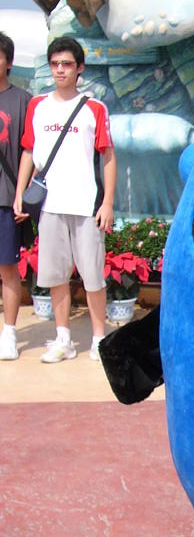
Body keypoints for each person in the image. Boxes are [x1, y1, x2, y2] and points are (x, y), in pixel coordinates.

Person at [13, 36, 115, 363]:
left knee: (93, 277)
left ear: (79, 68)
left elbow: (108, 156)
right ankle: (63, 339)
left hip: (86, 205)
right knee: (55, 277)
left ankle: (99, 339)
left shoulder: (94, 108)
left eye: (67, 64)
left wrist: (107, 203)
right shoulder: (38, 106)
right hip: (49, 206)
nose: (60, 70)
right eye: (55, 64)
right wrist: (19, 194)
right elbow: (28, 151)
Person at [0, 33, 32, 362]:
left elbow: (31, 152)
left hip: (6, 197)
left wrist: (23, 195)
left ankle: (8, 333)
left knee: (8, 268)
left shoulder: (23, 101)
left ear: (8, 62)